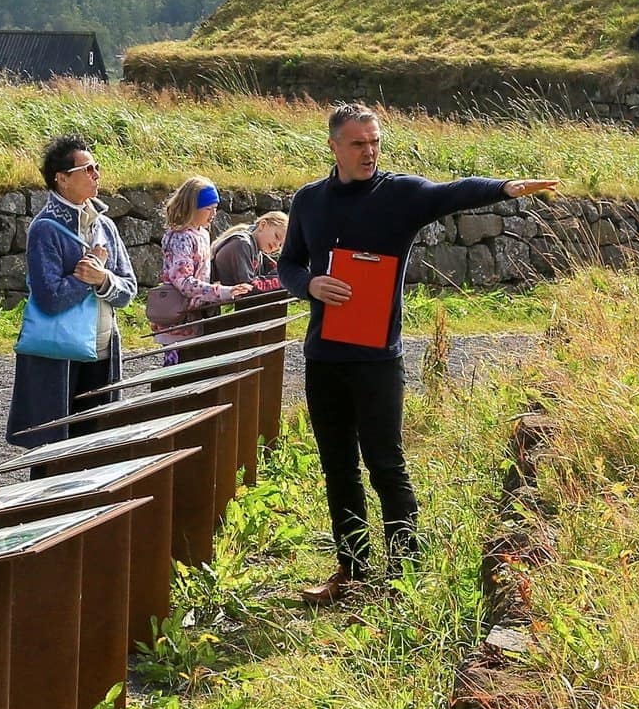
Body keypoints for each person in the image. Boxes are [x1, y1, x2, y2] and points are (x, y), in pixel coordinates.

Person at [278, 102, 556, 603]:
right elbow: (289, 264)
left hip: (378, 359)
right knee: (337, 466)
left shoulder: (400, 194)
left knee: (386, 463)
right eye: (358, 143)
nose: (369, 151)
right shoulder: (309, 201)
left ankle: (405, 578)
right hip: (323, 358)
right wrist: (310, 284)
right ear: (334, 146)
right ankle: (354, 571)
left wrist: (504, 187)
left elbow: (452, 192)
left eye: (375, 141)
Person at [5, 135, 138, 448]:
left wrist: (102, 278)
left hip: (103, 352)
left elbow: (128, 289)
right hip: (58, 356)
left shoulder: (106, 226)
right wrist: (87, 278)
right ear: (62, 179)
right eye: (88, 169)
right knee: (53, 452)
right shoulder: (44, 228)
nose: (96, 175)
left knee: (95, 451)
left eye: (96, 167)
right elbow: (50, 298)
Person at [153, 177, 253, 361]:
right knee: (178, 371)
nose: (213, 214)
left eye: (215, 208)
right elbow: (183, 282)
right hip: (178, 318)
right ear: (192, 207)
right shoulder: (181, 237)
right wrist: (221, 291)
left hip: (196, 314)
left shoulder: (203, 234)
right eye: (208, 209)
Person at [213, 212, 288, 292]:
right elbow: (247, 287)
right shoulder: (242, 244)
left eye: (280, 245)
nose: (276, 245)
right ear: (263, 225)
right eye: (276, 236)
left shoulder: (258, 251)